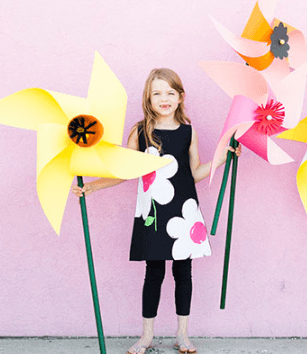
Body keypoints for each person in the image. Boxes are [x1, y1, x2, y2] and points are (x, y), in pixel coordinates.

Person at [71, 68, 241, 354]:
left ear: (180, 97)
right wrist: (92, 187)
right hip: (153, 213)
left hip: (184, 213)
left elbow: (194, 172)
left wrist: (223, 157)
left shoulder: (189, 132)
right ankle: (146, 335)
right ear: (148, 99)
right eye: (157, 93)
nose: (164, 99)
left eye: (170, 93)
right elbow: (126, 172)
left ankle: (182, 335)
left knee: (183, 273)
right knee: (153, 273)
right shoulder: (140, 132)